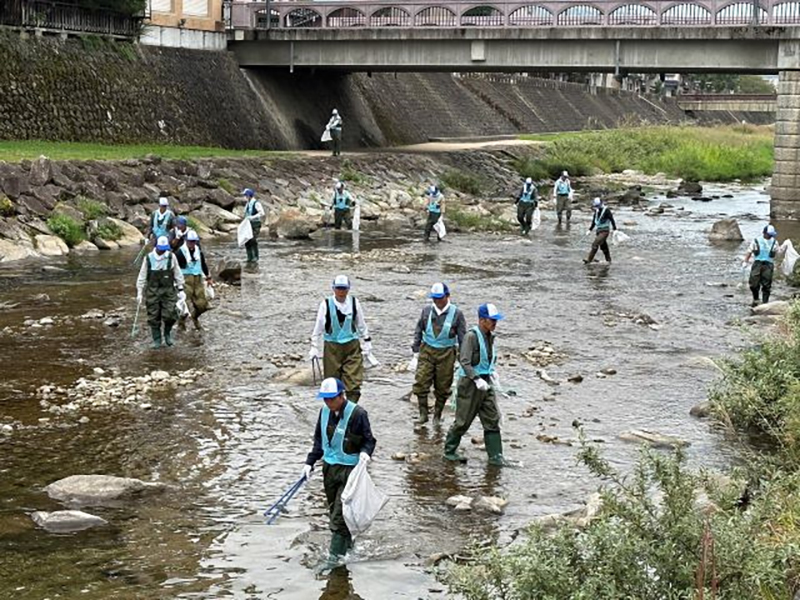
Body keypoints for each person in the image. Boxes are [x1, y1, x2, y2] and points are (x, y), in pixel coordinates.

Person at [304, 377, 376, 559]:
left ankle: (334, 560)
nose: (328, 402)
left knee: (340, 516)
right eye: (325, 399)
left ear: (341, 395)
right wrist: (309, 462)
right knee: (332, 509)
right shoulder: (324, 412)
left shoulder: (358, 414)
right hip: (329, 469)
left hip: (350, 472)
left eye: (331, 398)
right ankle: (348, 547)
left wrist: (366, 453)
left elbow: (369, 440)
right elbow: (319, 441)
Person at [444, 303, 509, 466]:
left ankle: (496, 457)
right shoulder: (471, 336)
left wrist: (491, 372)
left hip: (485, 383)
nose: (495, 323)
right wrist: (476, 378)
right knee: (463, 421)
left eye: (496, 320)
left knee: (492, 418)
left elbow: (487, 358)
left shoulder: (489, 336)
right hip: (470, 384)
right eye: (491, 320)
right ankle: (449, 452)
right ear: (482, 320)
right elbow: (464, 361)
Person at [408, 283, 467, 426]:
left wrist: (463, 359)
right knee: (420, 383)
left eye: (440, 298)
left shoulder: (457, 314)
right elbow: (418, 330)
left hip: (446, 353)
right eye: (435, 298)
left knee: (443, 386)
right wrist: (415, 352)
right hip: (427, 351)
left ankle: (437, 415)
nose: (437, 301)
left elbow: (463, 338)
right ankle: (423, 414)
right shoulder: (427, 311)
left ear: (447, 296)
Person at [310, 275, 372, 404]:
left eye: (344, 288)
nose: (341, 291)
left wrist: (367, 341)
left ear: (348, 289)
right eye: (338, 288)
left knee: (354, 383)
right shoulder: (326, 304)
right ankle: (335, 413)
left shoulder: (355, 303)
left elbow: (361, 324)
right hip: (332, 348)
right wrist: (314, 346)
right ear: (333, 289)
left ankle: (350, 410)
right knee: (332, 384)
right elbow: (319, 327)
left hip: (352, 346)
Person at [136, 235, 185, 349]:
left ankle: (167, 334)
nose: (163, 251)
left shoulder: (171, 257)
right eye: (161, 249)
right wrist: (139, 292)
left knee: (170, 315)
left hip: (168, 291)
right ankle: (157, 340)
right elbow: (142, 276)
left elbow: (177, 273)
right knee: (153, 317)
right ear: (156, 247)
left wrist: (181, 289)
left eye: (165, 249)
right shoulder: (148, 258)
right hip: (152, 292)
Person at [175, 229, 211, 330]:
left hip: (198, 279)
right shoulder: (179, 252)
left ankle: (195, 317)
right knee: (184, 304)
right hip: (185, 279)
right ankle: (181, 322)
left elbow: (203, 264)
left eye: (194, 241)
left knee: (202, 304)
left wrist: (208, 277)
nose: (192, 243)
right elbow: (175, 268)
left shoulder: (198, 251)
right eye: (190, 241)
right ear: (186, 241)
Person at [744, 225, 782, 307]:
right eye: (769, 234)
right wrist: (745, 261)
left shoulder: (775, 242)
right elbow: (749, 251)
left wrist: (779, 263)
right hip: (757, 263)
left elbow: (778, 253)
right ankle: (756, 299)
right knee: (753, 283)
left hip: (768, 264)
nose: (770, 236)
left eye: (771, 234)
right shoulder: (756, 241)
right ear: (764, 233)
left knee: (767, 284)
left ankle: (765, 303)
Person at [584, 197, 617, 264]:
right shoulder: (596, 211)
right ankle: (608, 260)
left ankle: (589, 259)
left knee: (595, 244)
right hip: (598, 231)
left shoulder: (606, 210)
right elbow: (594, 221)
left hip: (605, 231)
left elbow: (612, 219)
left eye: (597, 205)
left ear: (601, 204)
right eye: (595, 206)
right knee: (603, 246)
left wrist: (615, 229)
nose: (596, 207)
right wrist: (589, 230)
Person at [242, 188, 265, 263]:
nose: (244, 197)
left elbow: (262, 213)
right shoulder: (247, 204)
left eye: (245, 195)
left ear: (249, 195)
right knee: (247, 240)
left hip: (255, 224)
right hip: (247, 224)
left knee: (253, 240)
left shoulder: (256, 203)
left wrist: (252, 217)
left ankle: (255, 257)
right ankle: (249, 257)